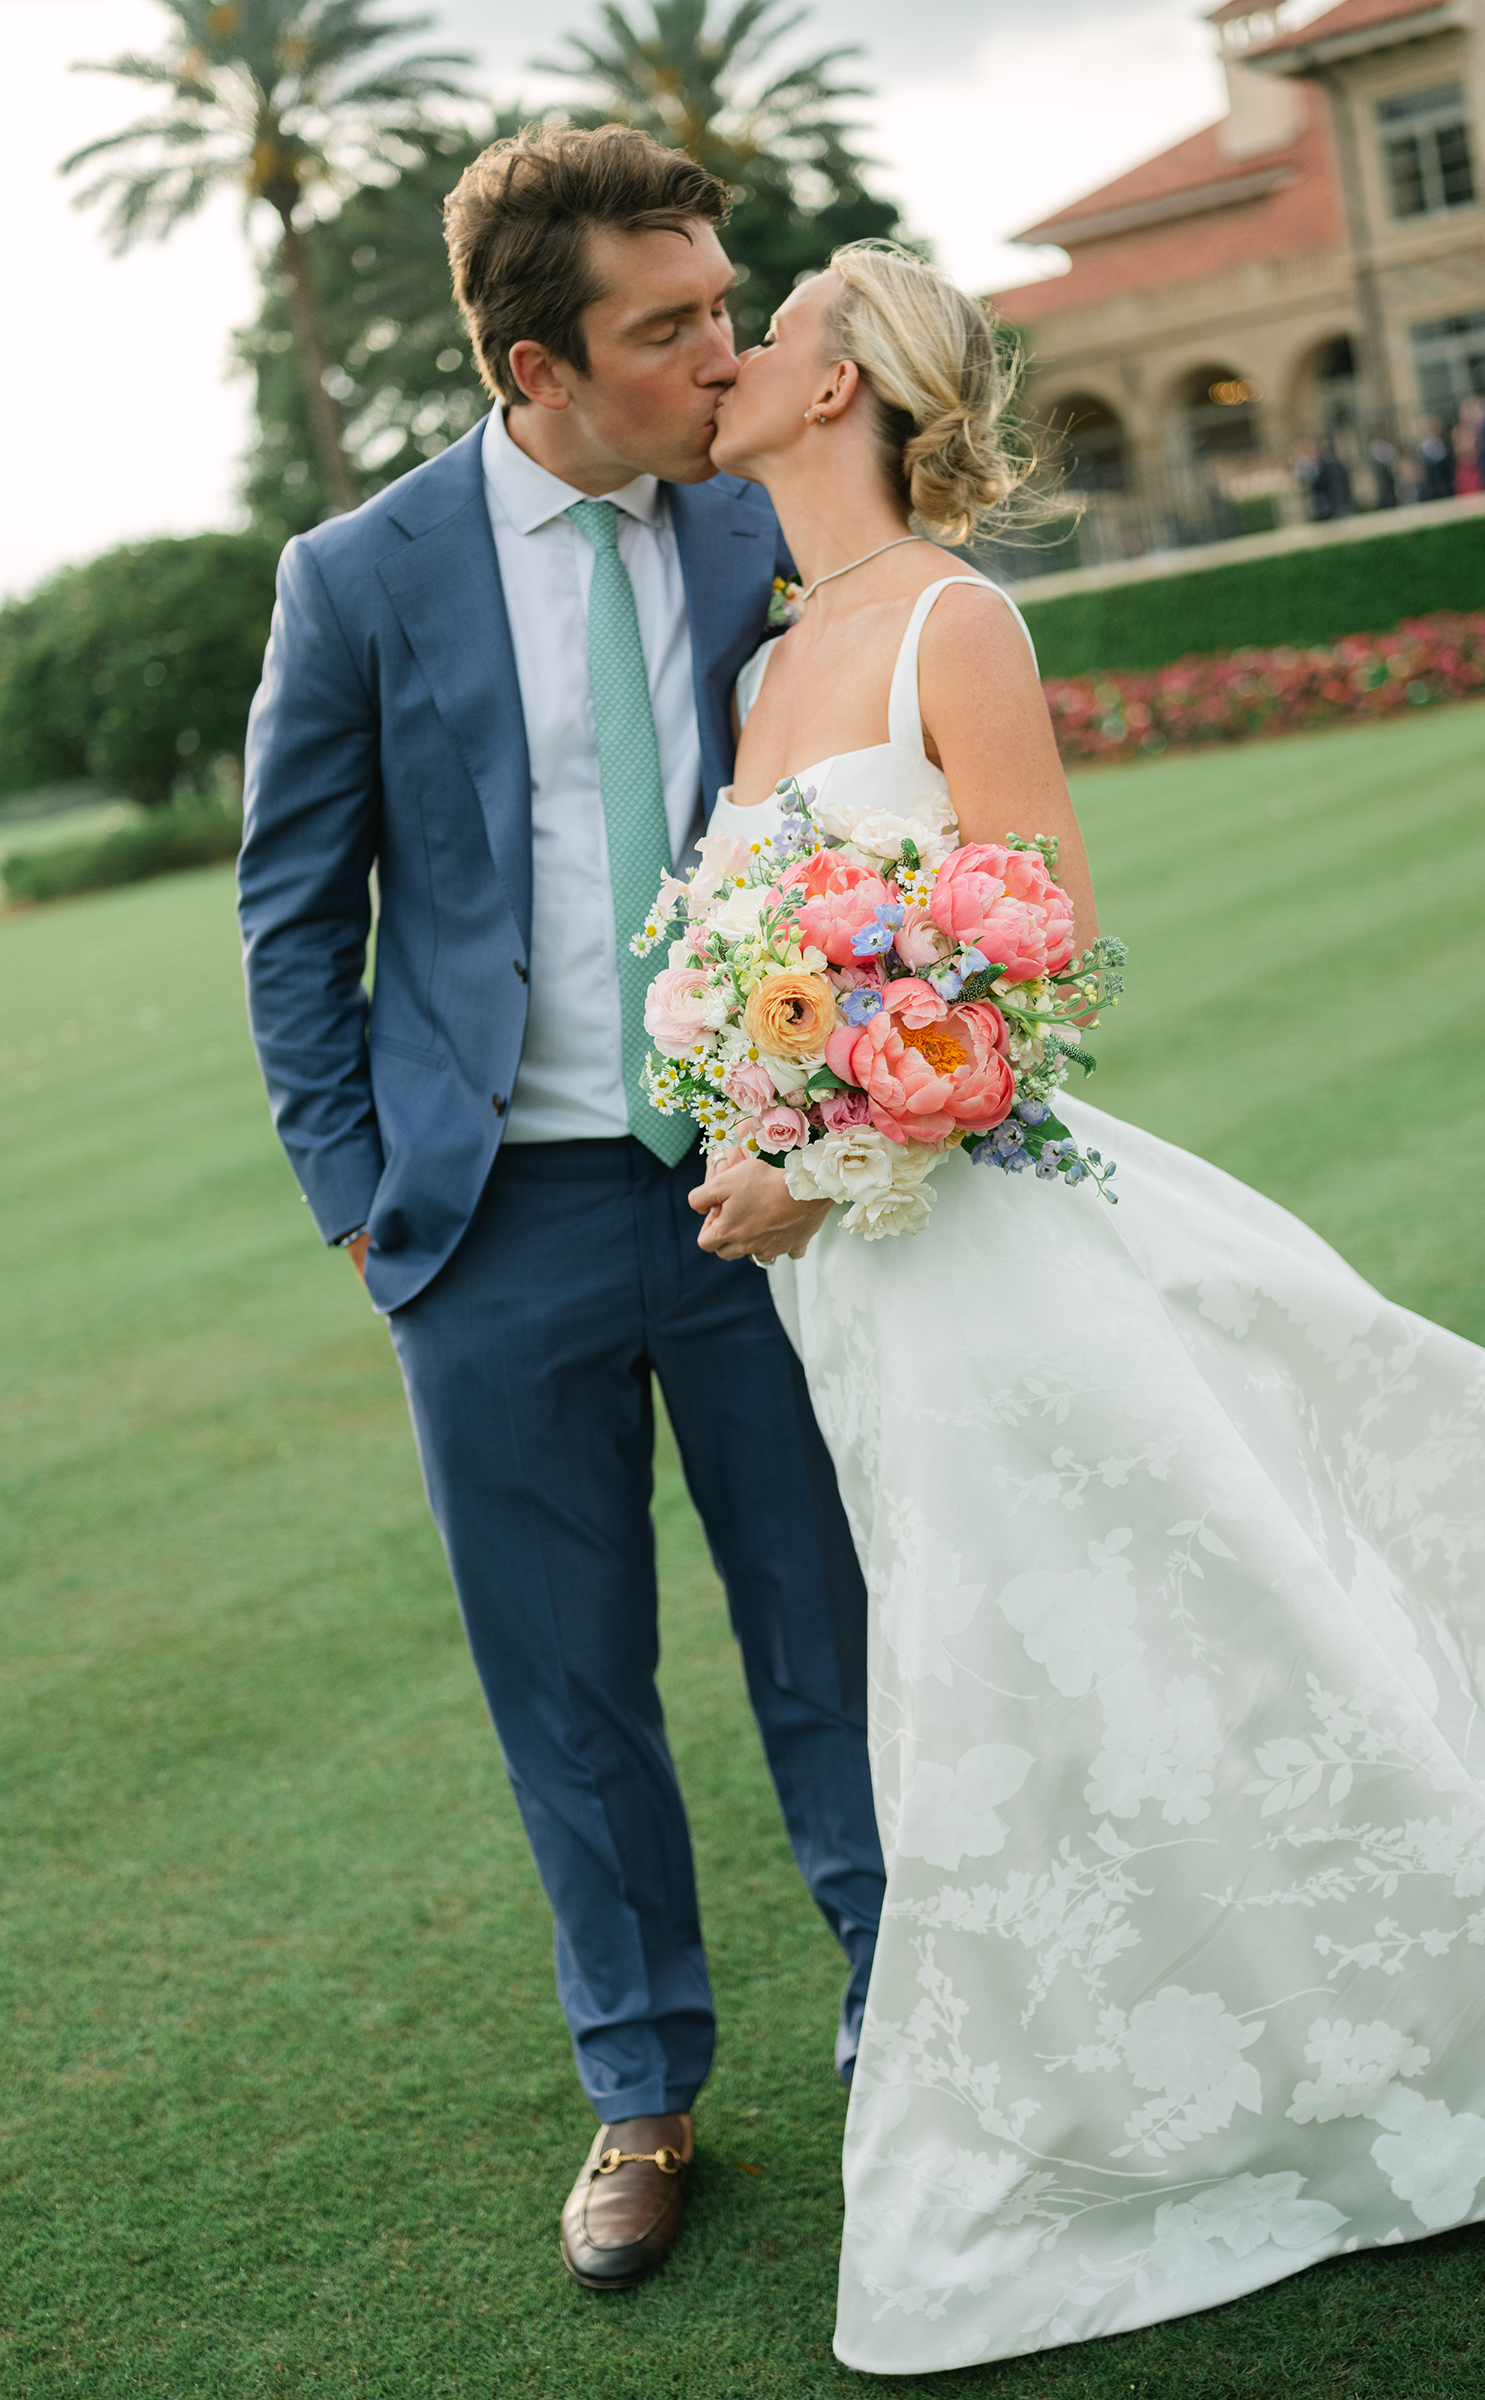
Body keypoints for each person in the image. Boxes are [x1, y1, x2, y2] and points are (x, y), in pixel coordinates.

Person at [696, 241, 1485, 2376]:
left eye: (769, 329)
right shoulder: (769, 659)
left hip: (967, 1247)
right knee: (1025, 1660)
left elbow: (1040, 955)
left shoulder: (953, 617)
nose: (730, 359)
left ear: (839, 390)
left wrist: (824, 1158)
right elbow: (789, 970)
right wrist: (761, 1104)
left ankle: (1428, 2016)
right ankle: (1169, 2036)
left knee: (1155, 1621)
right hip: (862, 1292)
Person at [236, 125, 886, 2298]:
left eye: (725, 304)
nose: (724, 350)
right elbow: (289, 915)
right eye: (670, 324)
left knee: (836, 1630)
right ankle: (644, 2092)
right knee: (569, 1689)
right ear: (536, 362)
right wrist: (361, 1206)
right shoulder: (359, 574)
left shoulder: (746, 526)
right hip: (486, 1233)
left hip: (756, 1193)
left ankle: (919, 2020)